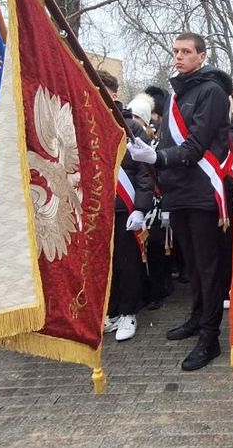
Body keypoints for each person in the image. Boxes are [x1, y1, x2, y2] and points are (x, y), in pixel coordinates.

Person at [126, 32, 233, 371]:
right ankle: (197, 318)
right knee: (192, 267)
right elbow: (173, 141)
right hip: (180, 192)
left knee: (208, 266)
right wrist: (156, 159)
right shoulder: (175, 96)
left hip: (203, 191)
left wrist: (157, 159)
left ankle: (210, 337)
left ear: (202, 56)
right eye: (175, 51)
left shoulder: (213, 91)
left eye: (186, 51)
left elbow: (196, 145)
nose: (178, 57)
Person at [99, 71, 155, 342]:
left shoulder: (130, 127)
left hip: (124, 206)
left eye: (104, 90)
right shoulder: (86, 124)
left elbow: (144, 171)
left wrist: (140, 208)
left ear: (114, 93)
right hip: (96, 208)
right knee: (103, 264)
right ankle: (110, 311)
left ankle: (129, 312)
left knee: (127, 262)